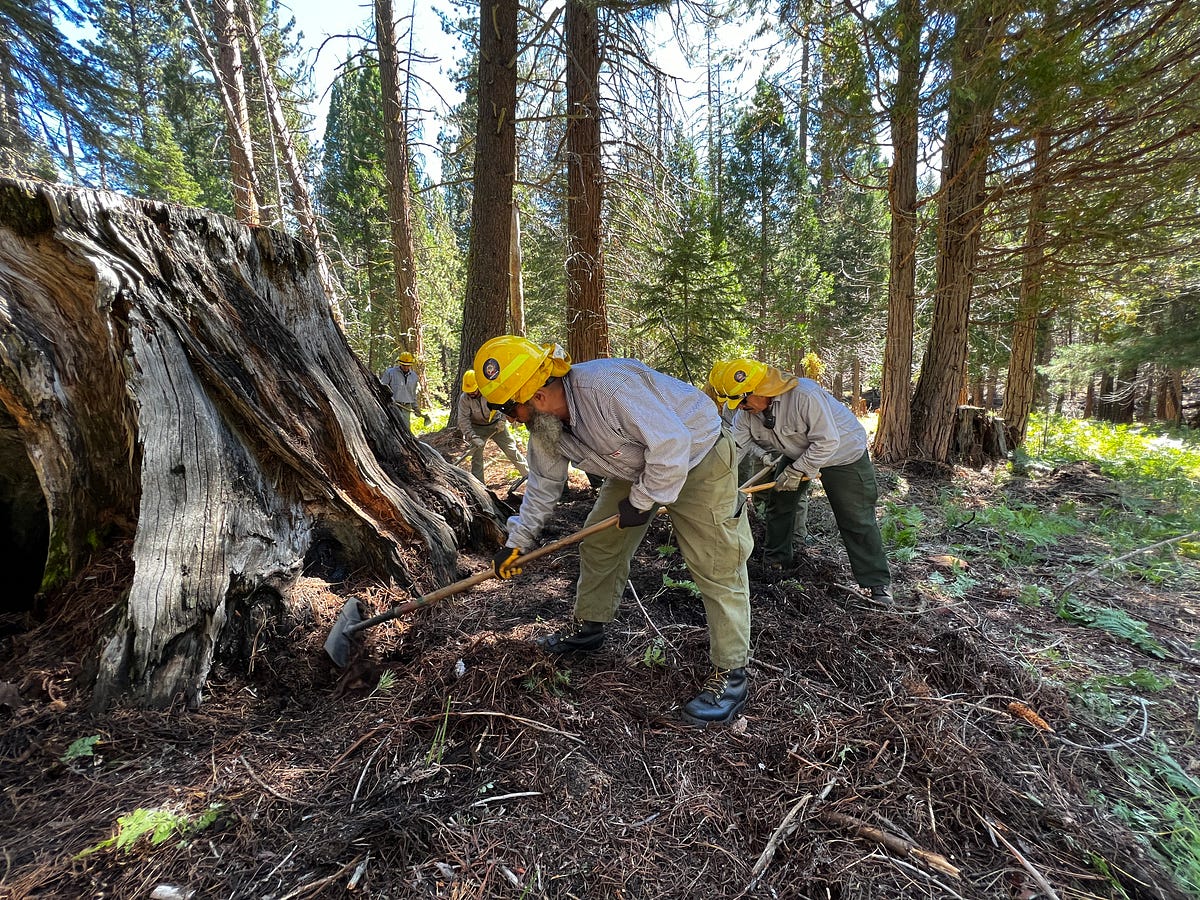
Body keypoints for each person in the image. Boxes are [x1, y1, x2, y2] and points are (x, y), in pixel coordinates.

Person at [473, 335, 754, 726]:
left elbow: (672, 445)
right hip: (638, 464)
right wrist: (517, 543)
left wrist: (641, 503)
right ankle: (588, 626)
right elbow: (542, 484)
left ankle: (731, 674)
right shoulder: (545, 425)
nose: (509, 419)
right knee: (600, 541)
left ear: (535, 394)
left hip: (697, 454)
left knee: (717, 562)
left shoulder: (608, 389)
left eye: (508, 408)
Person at [712, 357, 892, 602]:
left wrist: (798, 471)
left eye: (743, 400)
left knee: (855, 518)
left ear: (761, 389)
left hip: (842, 455)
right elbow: (733, 448)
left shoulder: (804, 396)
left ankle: (877, 583)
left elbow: (827, 441)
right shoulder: (747, 414)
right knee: (780, 504)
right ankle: (776, 564)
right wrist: (709, 477)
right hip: (798, 453)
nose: (741, 407)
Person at [456, 369, 528, 483]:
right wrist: (473, 437)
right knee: (476, 457)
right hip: (477, 428)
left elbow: (504, 404)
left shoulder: (491, 391)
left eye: (474, 390)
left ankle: (528, 475)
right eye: (469, 391)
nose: (472, 393)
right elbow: (463, 419)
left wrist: (502, 421)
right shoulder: (464, 399)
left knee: (511, 450)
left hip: (497, 424)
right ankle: (479, 485)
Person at [380, 351, 430, 432]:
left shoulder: (414, 377)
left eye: (408, 365)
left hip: (406, 407)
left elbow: (412, 394)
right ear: (399, 363)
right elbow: (382, 388)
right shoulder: (390, 373)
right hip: (393, 405)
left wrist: (415, 407)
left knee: (405, 429)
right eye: (403, 365)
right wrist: (387, 399)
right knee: (393, 428)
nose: (406, 367)